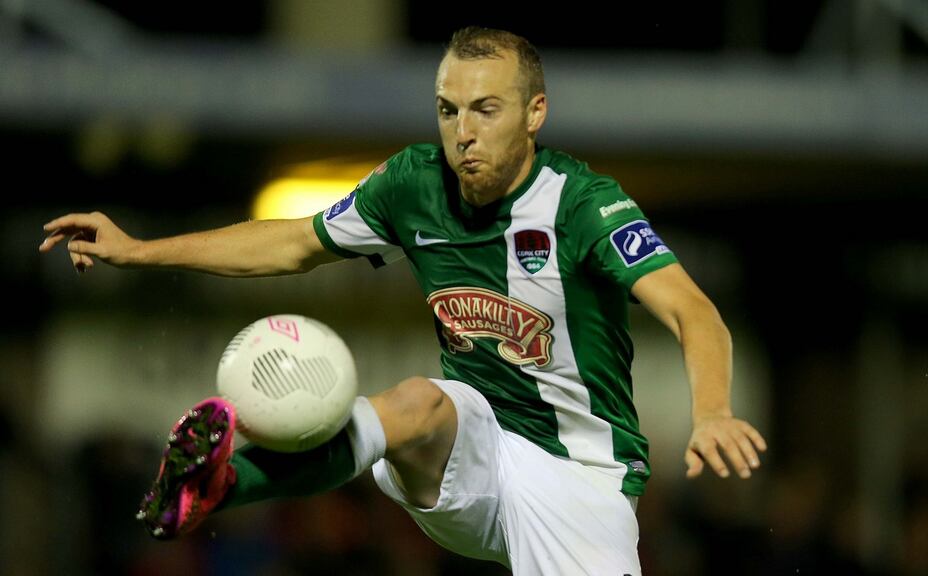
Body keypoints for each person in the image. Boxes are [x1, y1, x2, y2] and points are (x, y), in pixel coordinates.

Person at [39, 26, 767, 574]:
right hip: (473, 443)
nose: (463, 133)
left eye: (486, 109)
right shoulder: (411, 185)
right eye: (448, 111)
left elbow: (693, 311)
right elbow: (291, 243)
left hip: (580, 475)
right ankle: (223, 486)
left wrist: (712, 412)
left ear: (535, 113)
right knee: (421, 401)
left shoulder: (583, 205)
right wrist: (138, 250)